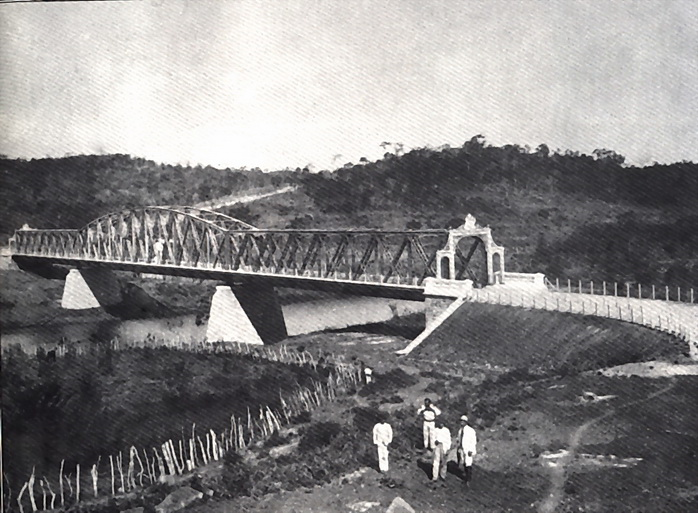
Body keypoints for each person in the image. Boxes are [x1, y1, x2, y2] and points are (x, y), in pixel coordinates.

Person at [456, 415, 477, 486]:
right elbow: (459, 439)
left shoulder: (470, 430)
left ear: (466, 422)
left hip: (468, 449)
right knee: (464, 463)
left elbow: (473, 441)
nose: (461, 422)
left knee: (468, 463)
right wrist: (458, 446)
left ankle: (468, 479)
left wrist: (471, 450)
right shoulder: (460, 430)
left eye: (463, 421)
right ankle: (465, 477)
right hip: (462, 448)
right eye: (461, 421)